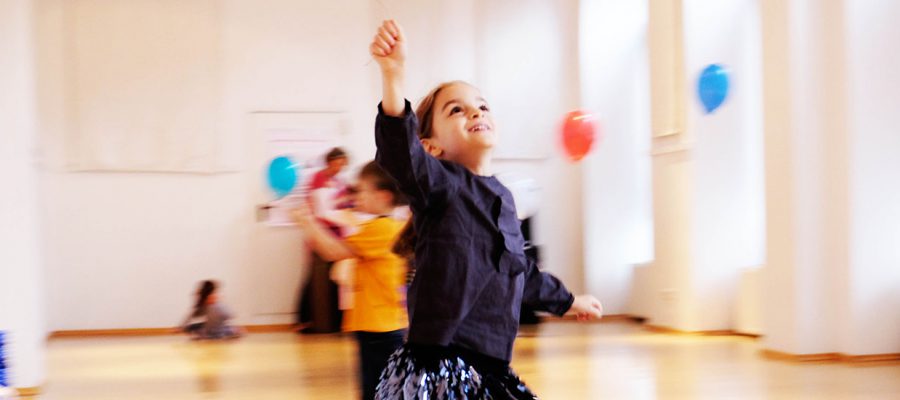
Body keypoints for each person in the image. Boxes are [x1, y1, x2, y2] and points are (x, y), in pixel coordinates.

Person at [369, 20, 604, 398]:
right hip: (441, 368)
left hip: (491, 366)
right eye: (456, 110)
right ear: (431, 146)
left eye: (482, 106)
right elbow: (400, 154)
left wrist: (568, 300)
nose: (476, 113)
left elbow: (520, 271)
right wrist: (393, 74)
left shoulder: (505, 201)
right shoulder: (439, 184)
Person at [294, 161, 409, 400]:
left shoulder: (381, 229)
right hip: (382, 327)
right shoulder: (387, 226)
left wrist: (307, 222)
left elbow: (333, 251)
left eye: (362, 190)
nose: (357, 196)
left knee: (376, 391)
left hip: (380, 329)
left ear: (383, 196)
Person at [297, 147, 350, 333]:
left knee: (335, 281)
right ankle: (318, 324)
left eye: (343, 164)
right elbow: (321, 210)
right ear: (330, 161)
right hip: (320, 237)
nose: (340, 167)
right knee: (318, 282)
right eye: (338, 163)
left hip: (337, 238)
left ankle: (334, 323)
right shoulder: (319, 179)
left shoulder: (340, 181)